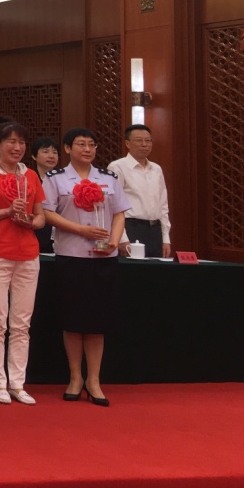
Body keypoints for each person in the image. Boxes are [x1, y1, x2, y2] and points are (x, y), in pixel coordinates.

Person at [43, 126, 128, 406]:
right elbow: (47, 213)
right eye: (81, 144)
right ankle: (75, 377)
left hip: (103, 258)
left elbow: (119, 213)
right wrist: (81, 230)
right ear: (68, 148)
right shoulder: (56, 178)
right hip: (71, 255)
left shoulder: (108, 178)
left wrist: (113, 241)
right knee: (73, 320)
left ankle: (94, 380)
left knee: (97, 322)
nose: (88, 149)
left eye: (92, 145)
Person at [0, 115, 46, 405]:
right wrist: (7, 212)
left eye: (22, 142)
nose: (17, 147)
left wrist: (31, 221)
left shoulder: (31, 176)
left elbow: (40, 216)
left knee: (22, 324)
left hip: (28, 254)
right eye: (11, 142)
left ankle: (17, 383)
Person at [108, 124, 171, 258]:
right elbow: (112, 205)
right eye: (139, 140)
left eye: (148, 140)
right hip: (131, 228)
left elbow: (163, 205)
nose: (144, 144)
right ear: (127, 143)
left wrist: (166, 238)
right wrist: (121, 238)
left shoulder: (156, 169)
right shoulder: (117, 167)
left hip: (155, 230)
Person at [30, 137, 60, 253]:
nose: (51, 156)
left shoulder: (63, 180)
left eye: (55, 152)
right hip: (35, 234)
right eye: (46, 151)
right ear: (34, 156)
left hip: (58, 236)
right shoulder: (29, 179)